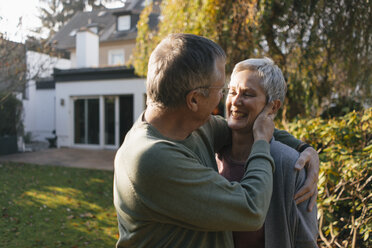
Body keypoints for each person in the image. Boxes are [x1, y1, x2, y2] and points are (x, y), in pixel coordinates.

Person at [113, 33, 319, 248]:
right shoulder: (152, 158)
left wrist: (304, 148)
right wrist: (261, 143)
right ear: (194, 99)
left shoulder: (192, 127)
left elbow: (250, 127)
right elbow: (251, 209)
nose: (226, 99)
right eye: (223, 90)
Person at [216, 57, 318, 247]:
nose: (236, 101)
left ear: (273, 107)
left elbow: (305, 241)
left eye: (247, 94)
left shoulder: (291, 165)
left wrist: (306, 150)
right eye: (232, 92)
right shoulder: (209, 154)